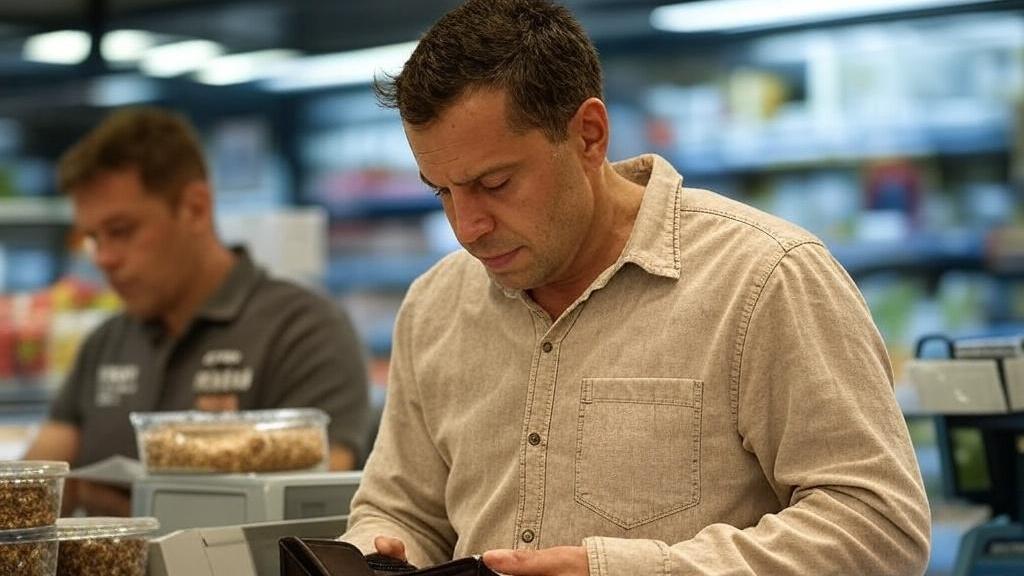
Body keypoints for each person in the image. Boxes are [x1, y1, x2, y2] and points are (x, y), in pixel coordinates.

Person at [340, 1, 931, 575]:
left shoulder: (765, 278)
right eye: (442, 192)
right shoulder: (435, 305)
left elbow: (878, 526)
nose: (467, 227)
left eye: (495, 183)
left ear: (589, 135)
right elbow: (402, 510)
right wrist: (375, 555)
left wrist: (628, 569)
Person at [23, 107, 370, 515]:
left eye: (121, 231)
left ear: (195, 208)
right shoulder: (106, 342)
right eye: (94, 238)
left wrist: (130, 506)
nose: (104, 258)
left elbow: (313, 502)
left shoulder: (303, 328)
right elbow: (32, 495)